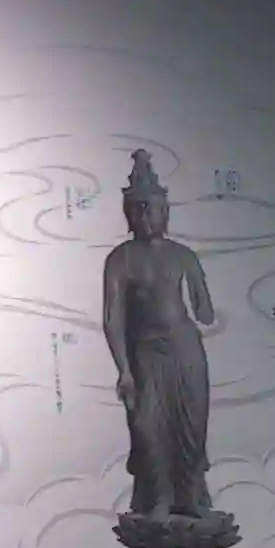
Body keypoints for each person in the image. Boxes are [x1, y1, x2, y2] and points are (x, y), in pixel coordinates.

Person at [101, 149, 217, 518]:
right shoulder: (120, 259)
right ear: (127, 214)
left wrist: (204, 295)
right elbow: (113, 318)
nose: (146, 217)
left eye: (152, 209)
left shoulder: (183, 255)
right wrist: (124, 369)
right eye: (137, 210)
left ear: (166, 212)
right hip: (146, 352)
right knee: (148, 427)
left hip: (185, 349)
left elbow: (204, 310)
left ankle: (191, 496)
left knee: (190, 423)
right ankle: (158, 499)